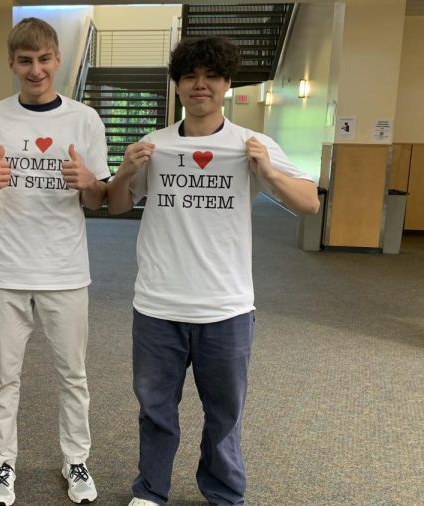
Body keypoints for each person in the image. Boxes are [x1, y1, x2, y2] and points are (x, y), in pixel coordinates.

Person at [106, 37, 320, 506]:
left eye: (211, 76)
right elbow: (119, 205)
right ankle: (150, 491)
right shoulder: (153, 145)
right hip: (158, 305)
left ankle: (223, 492)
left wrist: (270, 172)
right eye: (189, 76)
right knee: (155, 409)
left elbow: (308, 203)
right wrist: (123, 173)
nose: (200, 85)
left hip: (226, 307)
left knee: (224, 412)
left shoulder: (252, 144)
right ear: (178, 84)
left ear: (226, 83)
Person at [0, 17, 110, 506]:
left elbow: (98, 202)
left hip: (65, 271)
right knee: (3, 377)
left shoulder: (84, 120)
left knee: (73, 374)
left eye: (44, 59)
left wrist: (88, 181)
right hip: (6, 271)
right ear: (12, 64)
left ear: (57, 61)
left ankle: (76, 459)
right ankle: (3, 464)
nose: (35, 69)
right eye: (25, 61)